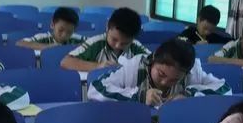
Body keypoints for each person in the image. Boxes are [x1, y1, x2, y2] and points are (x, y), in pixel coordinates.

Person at [88, 38, 231, 105]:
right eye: (161, 74)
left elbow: (225, 89)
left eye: (174, 80)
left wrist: (189, 95)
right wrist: (139, 96)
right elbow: (95, 88)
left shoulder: (192, 72)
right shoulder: (134, 68)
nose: (164, 82)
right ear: (154, 59)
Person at [60, 7, 149, 71]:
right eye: (114, 39)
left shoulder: (135, 45)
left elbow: (153, 62)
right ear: (107, 27)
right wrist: (98, 66)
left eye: (124, 43)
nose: (117, 45)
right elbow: (66, 62)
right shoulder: (96, 43)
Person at [17, 7, 86, 50]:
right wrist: (47, 47)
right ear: (52, 25)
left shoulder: (75, 38)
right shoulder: (43, 38)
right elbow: (20, 43)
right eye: (60, 30)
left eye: (69, 32)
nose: (64, 35)